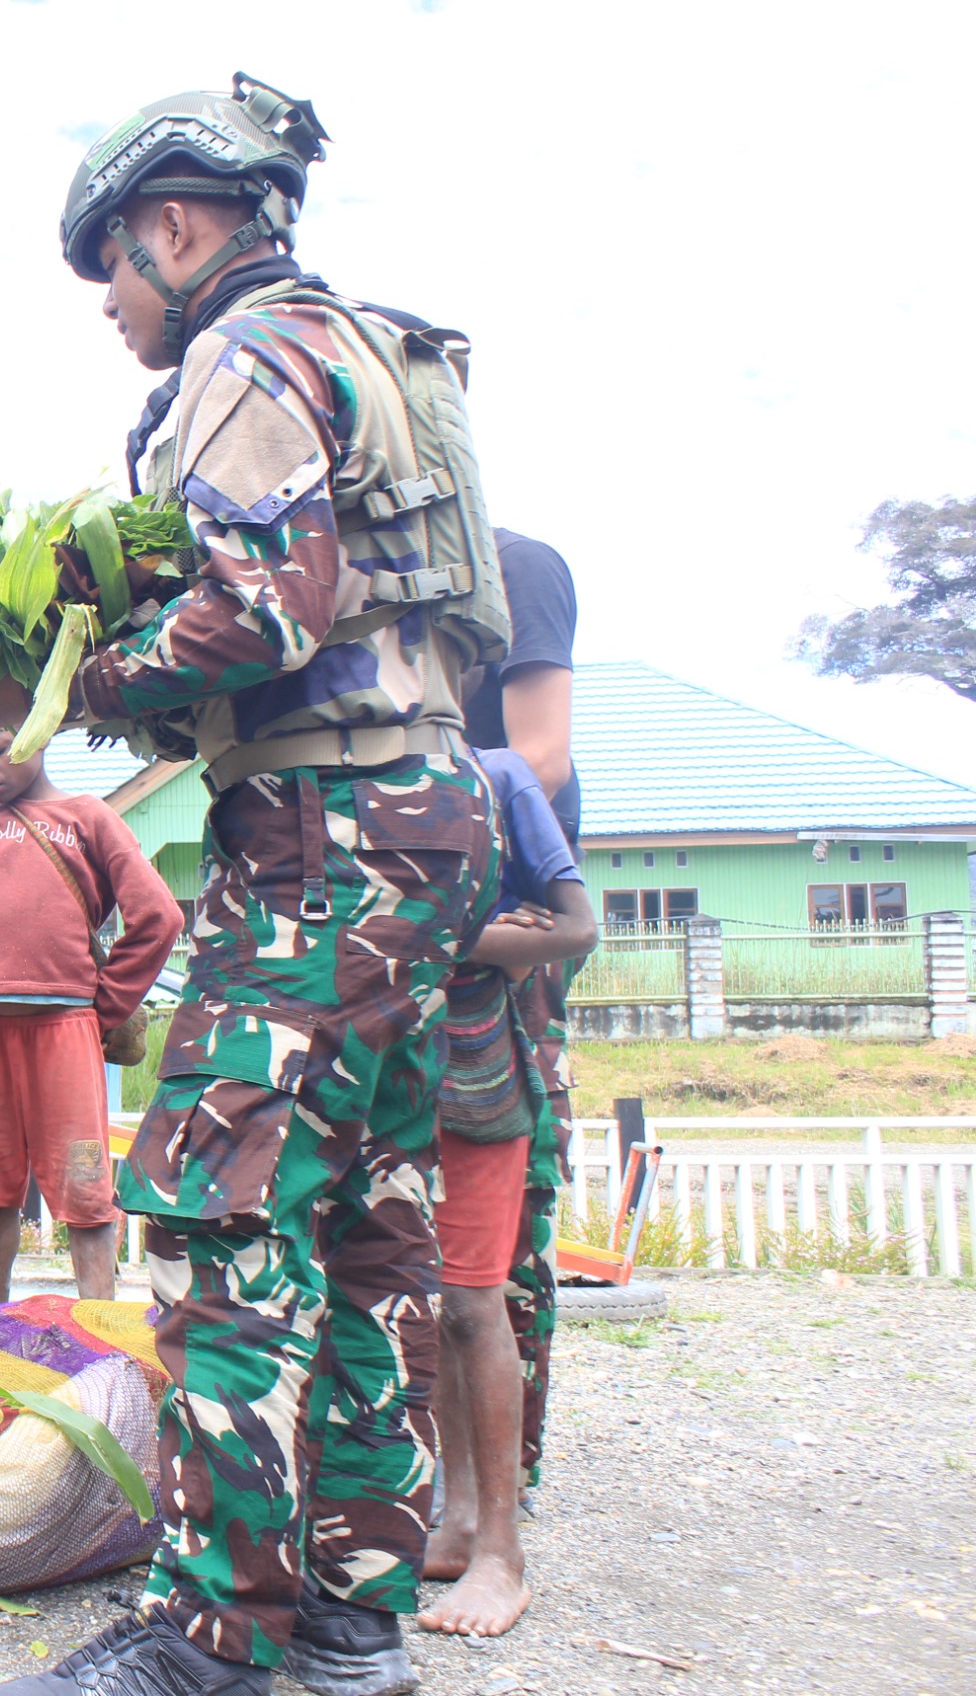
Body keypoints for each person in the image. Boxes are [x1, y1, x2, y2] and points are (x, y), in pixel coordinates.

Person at [0, 76, 506, 1696]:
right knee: (365, 1217)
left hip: (322, 826)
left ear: (177, 227)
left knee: (218, 1198)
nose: (114, 307)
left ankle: (216, 1629)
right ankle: (346, 1611)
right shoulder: (363, 348)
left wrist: (81, 683)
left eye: (112, 269)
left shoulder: (241, 355)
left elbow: (265, 604)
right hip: (426, 811)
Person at [421, 748, 595, 1638]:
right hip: (375, 1071)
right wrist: (481, 933)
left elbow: (576, 925)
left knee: (473, 1305)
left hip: (478, 1069)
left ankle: (500, 1552)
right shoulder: (333, 766)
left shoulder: (496, 776)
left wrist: (436, 933)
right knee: (426, 1308)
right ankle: (453, 1520)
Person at [0, 730, 181, 1306]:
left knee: (86, 1189)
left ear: (39, 734)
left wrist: (103, 1007)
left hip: (67, 1034)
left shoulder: (87, 817)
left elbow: (158, 916)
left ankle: (97, 1333)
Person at [455, 529, 582, 1513]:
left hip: (505, 923)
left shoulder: (513, 566)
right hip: (411, 923)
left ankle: (509, 1472)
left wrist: (403, 827)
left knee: (504, 1217)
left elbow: (539, 755)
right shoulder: (350, 572)